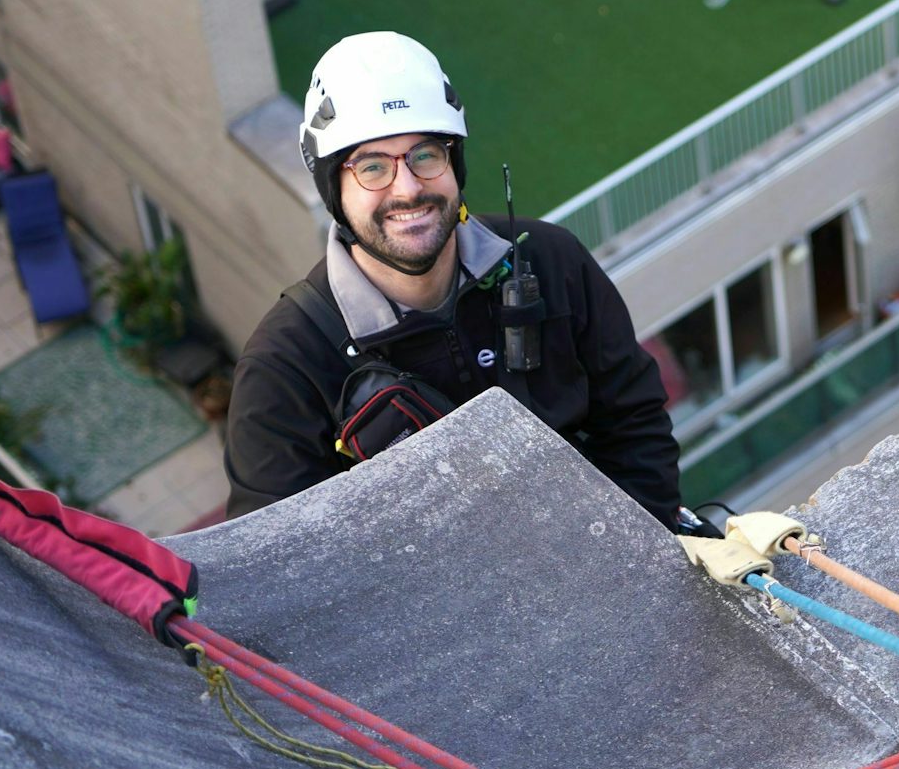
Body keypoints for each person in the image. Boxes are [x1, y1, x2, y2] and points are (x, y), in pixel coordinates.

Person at [224, 31, 684, 525]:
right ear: (333, 187)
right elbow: (282, 563)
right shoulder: (285, 372)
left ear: (453, 162)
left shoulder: (549, 260)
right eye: (372, 167)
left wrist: (631, 559)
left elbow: (636, 427)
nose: (407, 189)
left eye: (426, 155)